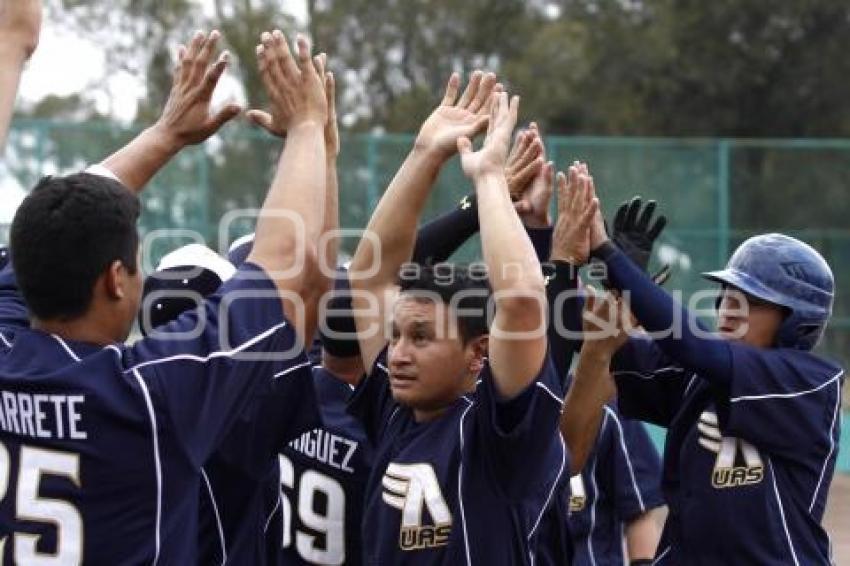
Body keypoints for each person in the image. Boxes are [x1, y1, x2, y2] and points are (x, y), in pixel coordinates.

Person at [0, 27, 329, 563]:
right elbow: (282, 266)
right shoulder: (148, 399)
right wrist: (310, 126)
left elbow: (40, 239)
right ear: (114, 280)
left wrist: (166, 133)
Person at [584, 171, 844, 564]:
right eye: (726, 296)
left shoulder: (809, 385)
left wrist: (613, 258)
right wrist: (606, 281)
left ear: (797, 321)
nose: (728, 310)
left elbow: (694, 346)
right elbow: (600, 339)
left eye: (751, 301)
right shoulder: (697, 373)